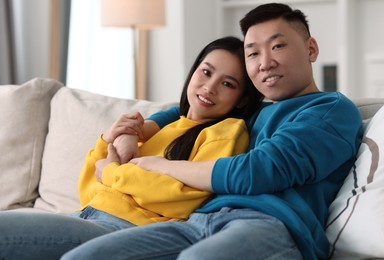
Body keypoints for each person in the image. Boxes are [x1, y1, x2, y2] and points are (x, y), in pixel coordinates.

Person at [61, 3, 363, 260]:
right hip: (201, 219)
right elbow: (188, 112)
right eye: (253, 54)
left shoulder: (331, 110)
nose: (265, 63)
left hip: (273, 224)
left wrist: (160, 165)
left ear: (311, 49)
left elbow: (256, 172)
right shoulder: (255, 113)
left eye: (278, 46)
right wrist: (134, 130)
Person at [0, 36, 261, 260]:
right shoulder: (165, 127)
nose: (210, 87)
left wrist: (113, 172)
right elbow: (90, 188)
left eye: (228, 84)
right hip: (85, 215)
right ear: (193, 71)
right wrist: (108, 140)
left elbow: (181, 196)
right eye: (206, 72)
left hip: (126, 228)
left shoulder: (226, 132)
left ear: (242, 100)